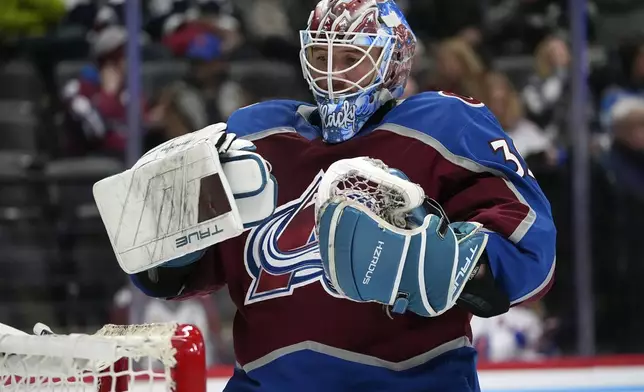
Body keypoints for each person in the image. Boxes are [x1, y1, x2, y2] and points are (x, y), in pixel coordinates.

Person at [103, 1, 556, 390]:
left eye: (352, 58)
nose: (334, 74)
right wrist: (172, 239)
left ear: (392, 61)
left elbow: (532, 249)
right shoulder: (255, 136)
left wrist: (460, 263)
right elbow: (173, 273)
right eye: (322, 56)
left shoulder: (444, 125)